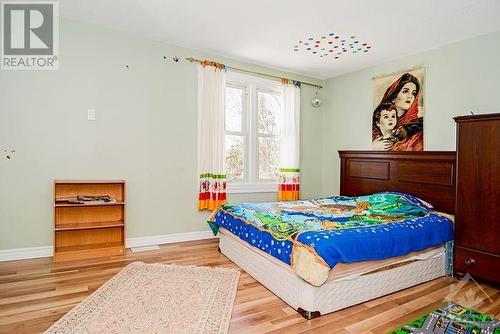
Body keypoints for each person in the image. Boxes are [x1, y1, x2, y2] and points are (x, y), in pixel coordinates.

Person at [372, 73, 423, 151]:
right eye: (405, 91)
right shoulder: (375, 128)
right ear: (394, 96)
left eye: (413, 93)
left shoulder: (416, 128)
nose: (410, 96)